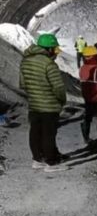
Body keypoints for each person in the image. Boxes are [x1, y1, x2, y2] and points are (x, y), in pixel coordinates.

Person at [20, 34, 68, 172]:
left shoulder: (25, 61)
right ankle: (51, 163)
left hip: (34, 104)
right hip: (49, 105)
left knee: (35, 132)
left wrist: (35, 92)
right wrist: (61, 100)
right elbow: (58, 87)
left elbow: (23, 84)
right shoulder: (49, 64)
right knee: (48, 134)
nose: (55, 53)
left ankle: (37, 160)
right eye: (54, 49)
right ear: (49, 49)